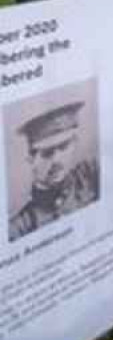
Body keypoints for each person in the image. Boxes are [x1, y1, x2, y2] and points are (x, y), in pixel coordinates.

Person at [8, 101, 99, 243]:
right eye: (47, 153)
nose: (57, 160)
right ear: (31, 159)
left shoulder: (90, 175)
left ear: (74, 144)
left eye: (63, 147)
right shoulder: (20, 227)